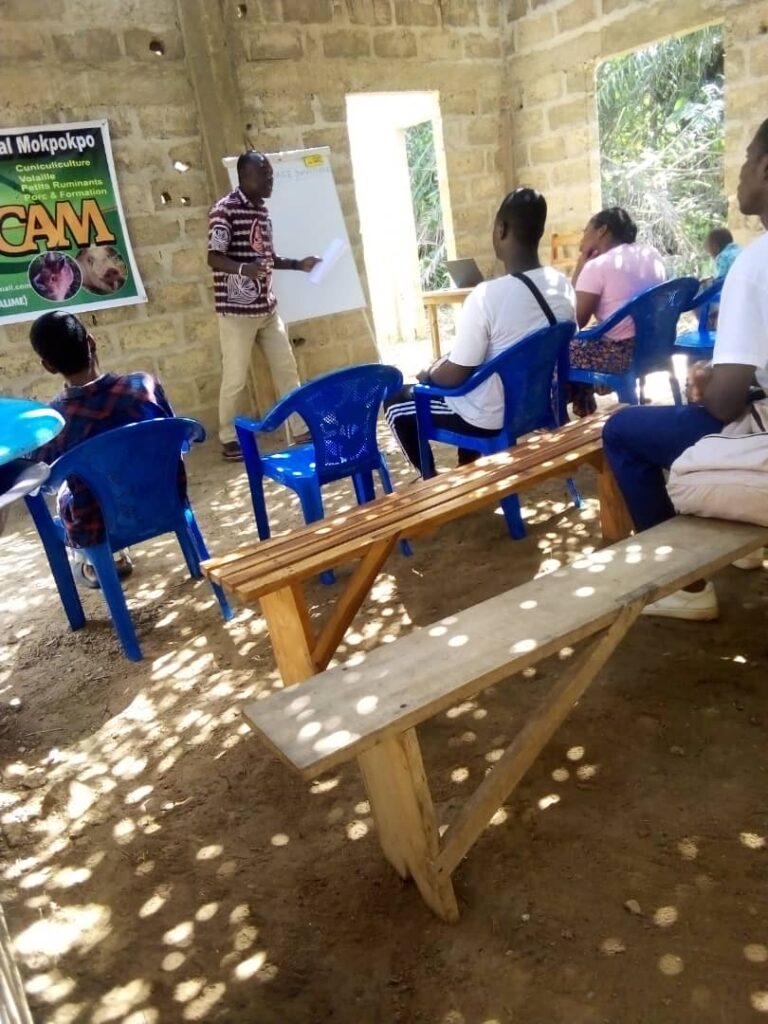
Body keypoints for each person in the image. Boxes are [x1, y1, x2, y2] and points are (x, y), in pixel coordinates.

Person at [602, 119, 768, 620]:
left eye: (746, 159)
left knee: (622, 430)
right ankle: (747, 544)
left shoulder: (755, 265)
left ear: (766, 167)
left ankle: (685, 585)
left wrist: (711, 382)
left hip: (760, 437)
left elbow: (723, 405)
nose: (739, 172)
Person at [385, 188, 575, 476]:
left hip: (489, 418)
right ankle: (468, 466)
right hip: (539, 406)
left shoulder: (486, 296)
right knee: (478, 373)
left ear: (501, 229)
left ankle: (430, 482)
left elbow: (455, 376)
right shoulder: (562, 285)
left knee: (396, 401)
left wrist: (430, 373)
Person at [29, 311, 180, 588]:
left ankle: (95, 559)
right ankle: (115, 554)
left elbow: (43, 479)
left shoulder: (54, 421)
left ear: (48, 366)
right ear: (92, 341)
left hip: (98, 523)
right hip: (165, 498)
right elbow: (179, 442)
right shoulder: (144, 386)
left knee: (66, 488)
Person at [208, 150, 320, 461]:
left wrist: (297, 264)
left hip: (267, 309)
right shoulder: (225, 210)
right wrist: (244, 269)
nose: (271, 180)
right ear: (245, 176)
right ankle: (228, 438)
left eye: (271, 174)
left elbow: (268, 258)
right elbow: (213, 257)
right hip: (237, 312)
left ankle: (299, 428)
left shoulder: (262, 211)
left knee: (286, 369)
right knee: (235, 378)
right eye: (265, 175)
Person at [569, 207, 666, 417]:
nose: (582, 238)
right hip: (656, 345)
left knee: (561, 351)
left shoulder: (597, 267)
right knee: (585, 342)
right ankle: (587, 405)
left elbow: (576, 320)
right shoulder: (652, 254)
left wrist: (580, 266)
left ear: (602, 230)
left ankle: (577, 413)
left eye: (585, 231)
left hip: (620, 355)